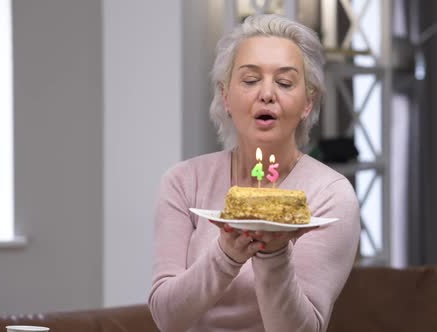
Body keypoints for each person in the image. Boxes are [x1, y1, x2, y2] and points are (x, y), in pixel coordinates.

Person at [149, 14, 360, 332]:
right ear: (225, 95)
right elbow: (167, 318)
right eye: (250, 80)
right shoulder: (183, 182)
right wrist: (226, 254)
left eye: (285, 82)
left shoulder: (330, 194)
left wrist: (274, 253)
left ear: (307, 102)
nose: (267, 93)